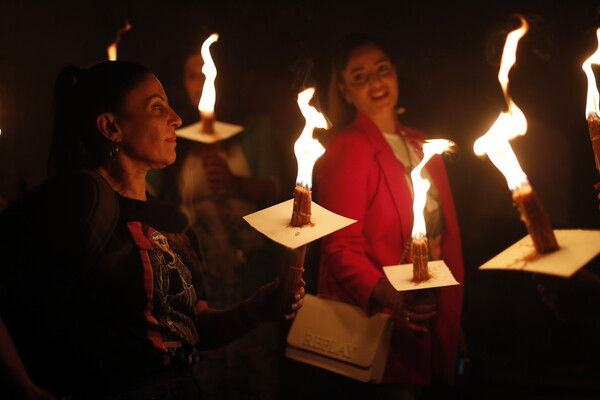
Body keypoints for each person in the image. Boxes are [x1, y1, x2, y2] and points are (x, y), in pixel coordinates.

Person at [0, 60, 304, 400]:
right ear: (111, 127)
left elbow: (192, 327)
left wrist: (253, 310)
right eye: (157, 107)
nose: (175, 118)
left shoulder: (173, 221)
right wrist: (24, 388)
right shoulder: (79, 201)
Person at [312, 33, 464, 398]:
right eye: (360, 76)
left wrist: (450, 316)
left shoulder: (423, 142)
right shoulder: (349, 147)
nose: (376, 82)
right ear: (345, 90)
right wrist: (392, 296)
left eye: (382, 70)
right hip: (379, 323)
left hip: (429, 310)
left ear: (395, 74)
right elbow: (339, 247)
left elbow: (444, 230)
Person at [147, 33, 288, 400]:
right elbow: (155, 193)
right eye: (193, 75)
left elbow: (278, 189)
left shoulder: (254, 128)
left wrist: (236, 183)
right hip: (200, 268)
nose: (202, 83)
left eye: (209, 73)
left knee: (254, 363)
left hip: (248, 262)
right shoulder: (175, 135)